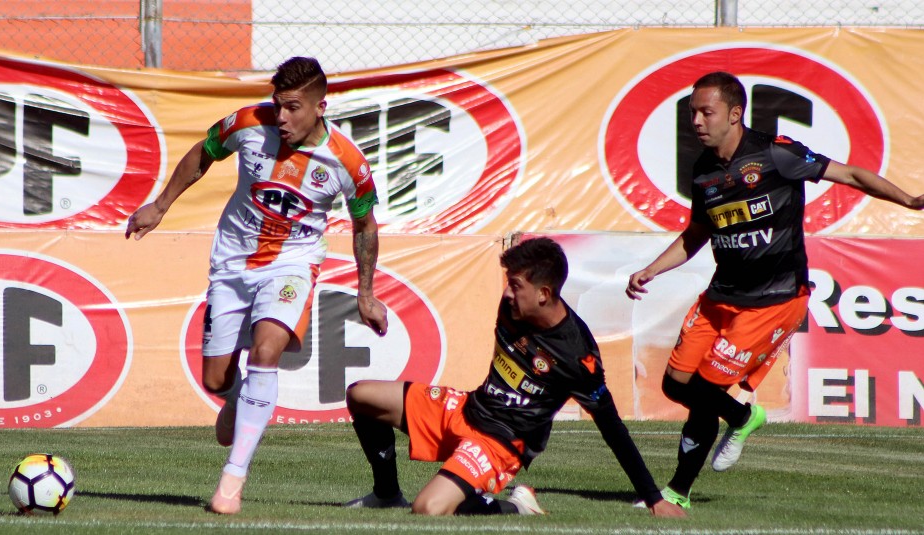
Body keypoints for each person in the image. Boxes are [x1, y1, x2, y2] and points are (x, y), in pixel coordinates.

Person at [625, 71, 924, 508]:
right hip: (720, 296)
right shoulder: (704, 170)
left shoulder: (775, 154)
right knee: (675, 384)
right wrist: (651, 270)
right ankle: (745, 416)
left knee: (706, 393)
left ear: (734, 113)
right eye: (692, 112)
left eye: (706, 112)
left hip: (774, 299)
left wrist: (912, 201)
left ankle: (677, 493)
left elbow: (853, 176)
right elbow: (696, 234)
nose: (696, 121)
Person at [125, 56, 388, 514]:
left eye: (292, 107)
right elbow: (203, 152)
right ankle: (235, 397)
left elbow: (365, 225)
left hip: (293, 263)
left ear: (320, 106)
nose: (282, 117)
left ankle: (232, 482)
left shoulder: (347, 163)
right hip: (231, 263)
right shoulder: (248, 124)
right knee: (215, 378)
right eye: (277, 105)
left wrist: (366, 293)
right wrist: (161, 205)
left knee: (266, 350)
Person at [345, 237, 687, 517]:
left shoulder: (576, 356)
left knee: (429, 509)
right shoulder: (511, 307)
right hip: (468, 408)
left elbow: (612, 428)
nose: (508, 293)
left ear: (544, 294)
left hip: (500, 442)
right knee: (361, 395)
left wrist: (654, 498)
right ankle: (387, 494)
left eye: (516, 285)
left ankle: (514, 505)